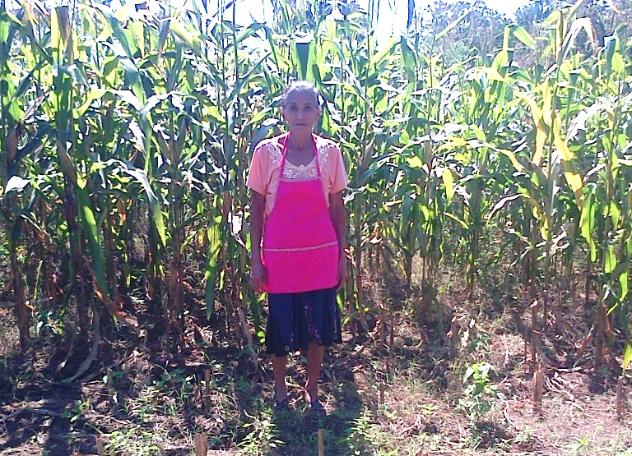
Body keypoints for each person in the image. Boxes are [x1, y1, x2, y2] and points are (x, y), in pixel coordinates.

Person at [247, 81, 348, 415]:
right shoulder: (266, 153)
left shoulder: (330, 153)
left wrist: (342, 257)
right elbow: (256, 208)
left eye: (307, 108)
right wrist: (255, 259)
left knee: (319, 326)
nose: (300, 115)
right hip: (280, 258)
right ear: (283, 113)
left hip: (321, 256)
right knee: (280, 325)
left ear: (318, 113)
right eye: (293, 108)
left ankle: (311, 388)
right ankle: (280, 388)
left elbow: (337, 208)